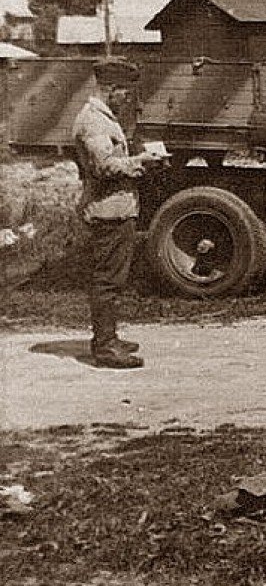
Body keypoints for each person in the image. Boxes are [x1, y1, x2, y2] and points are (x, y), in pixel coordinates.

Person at [72, 57, 163, 369]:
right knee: (107, 281)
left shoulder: (104, 118)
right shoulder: (93, 121)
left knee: (112, 278)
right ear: (110, 89)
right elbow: (103, 167)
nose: (127, 98)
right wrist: (141, 162)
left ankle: (109, 338)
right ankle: (105, 347)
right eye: (123, 91)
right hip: (106, 212)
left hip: (117, 209)